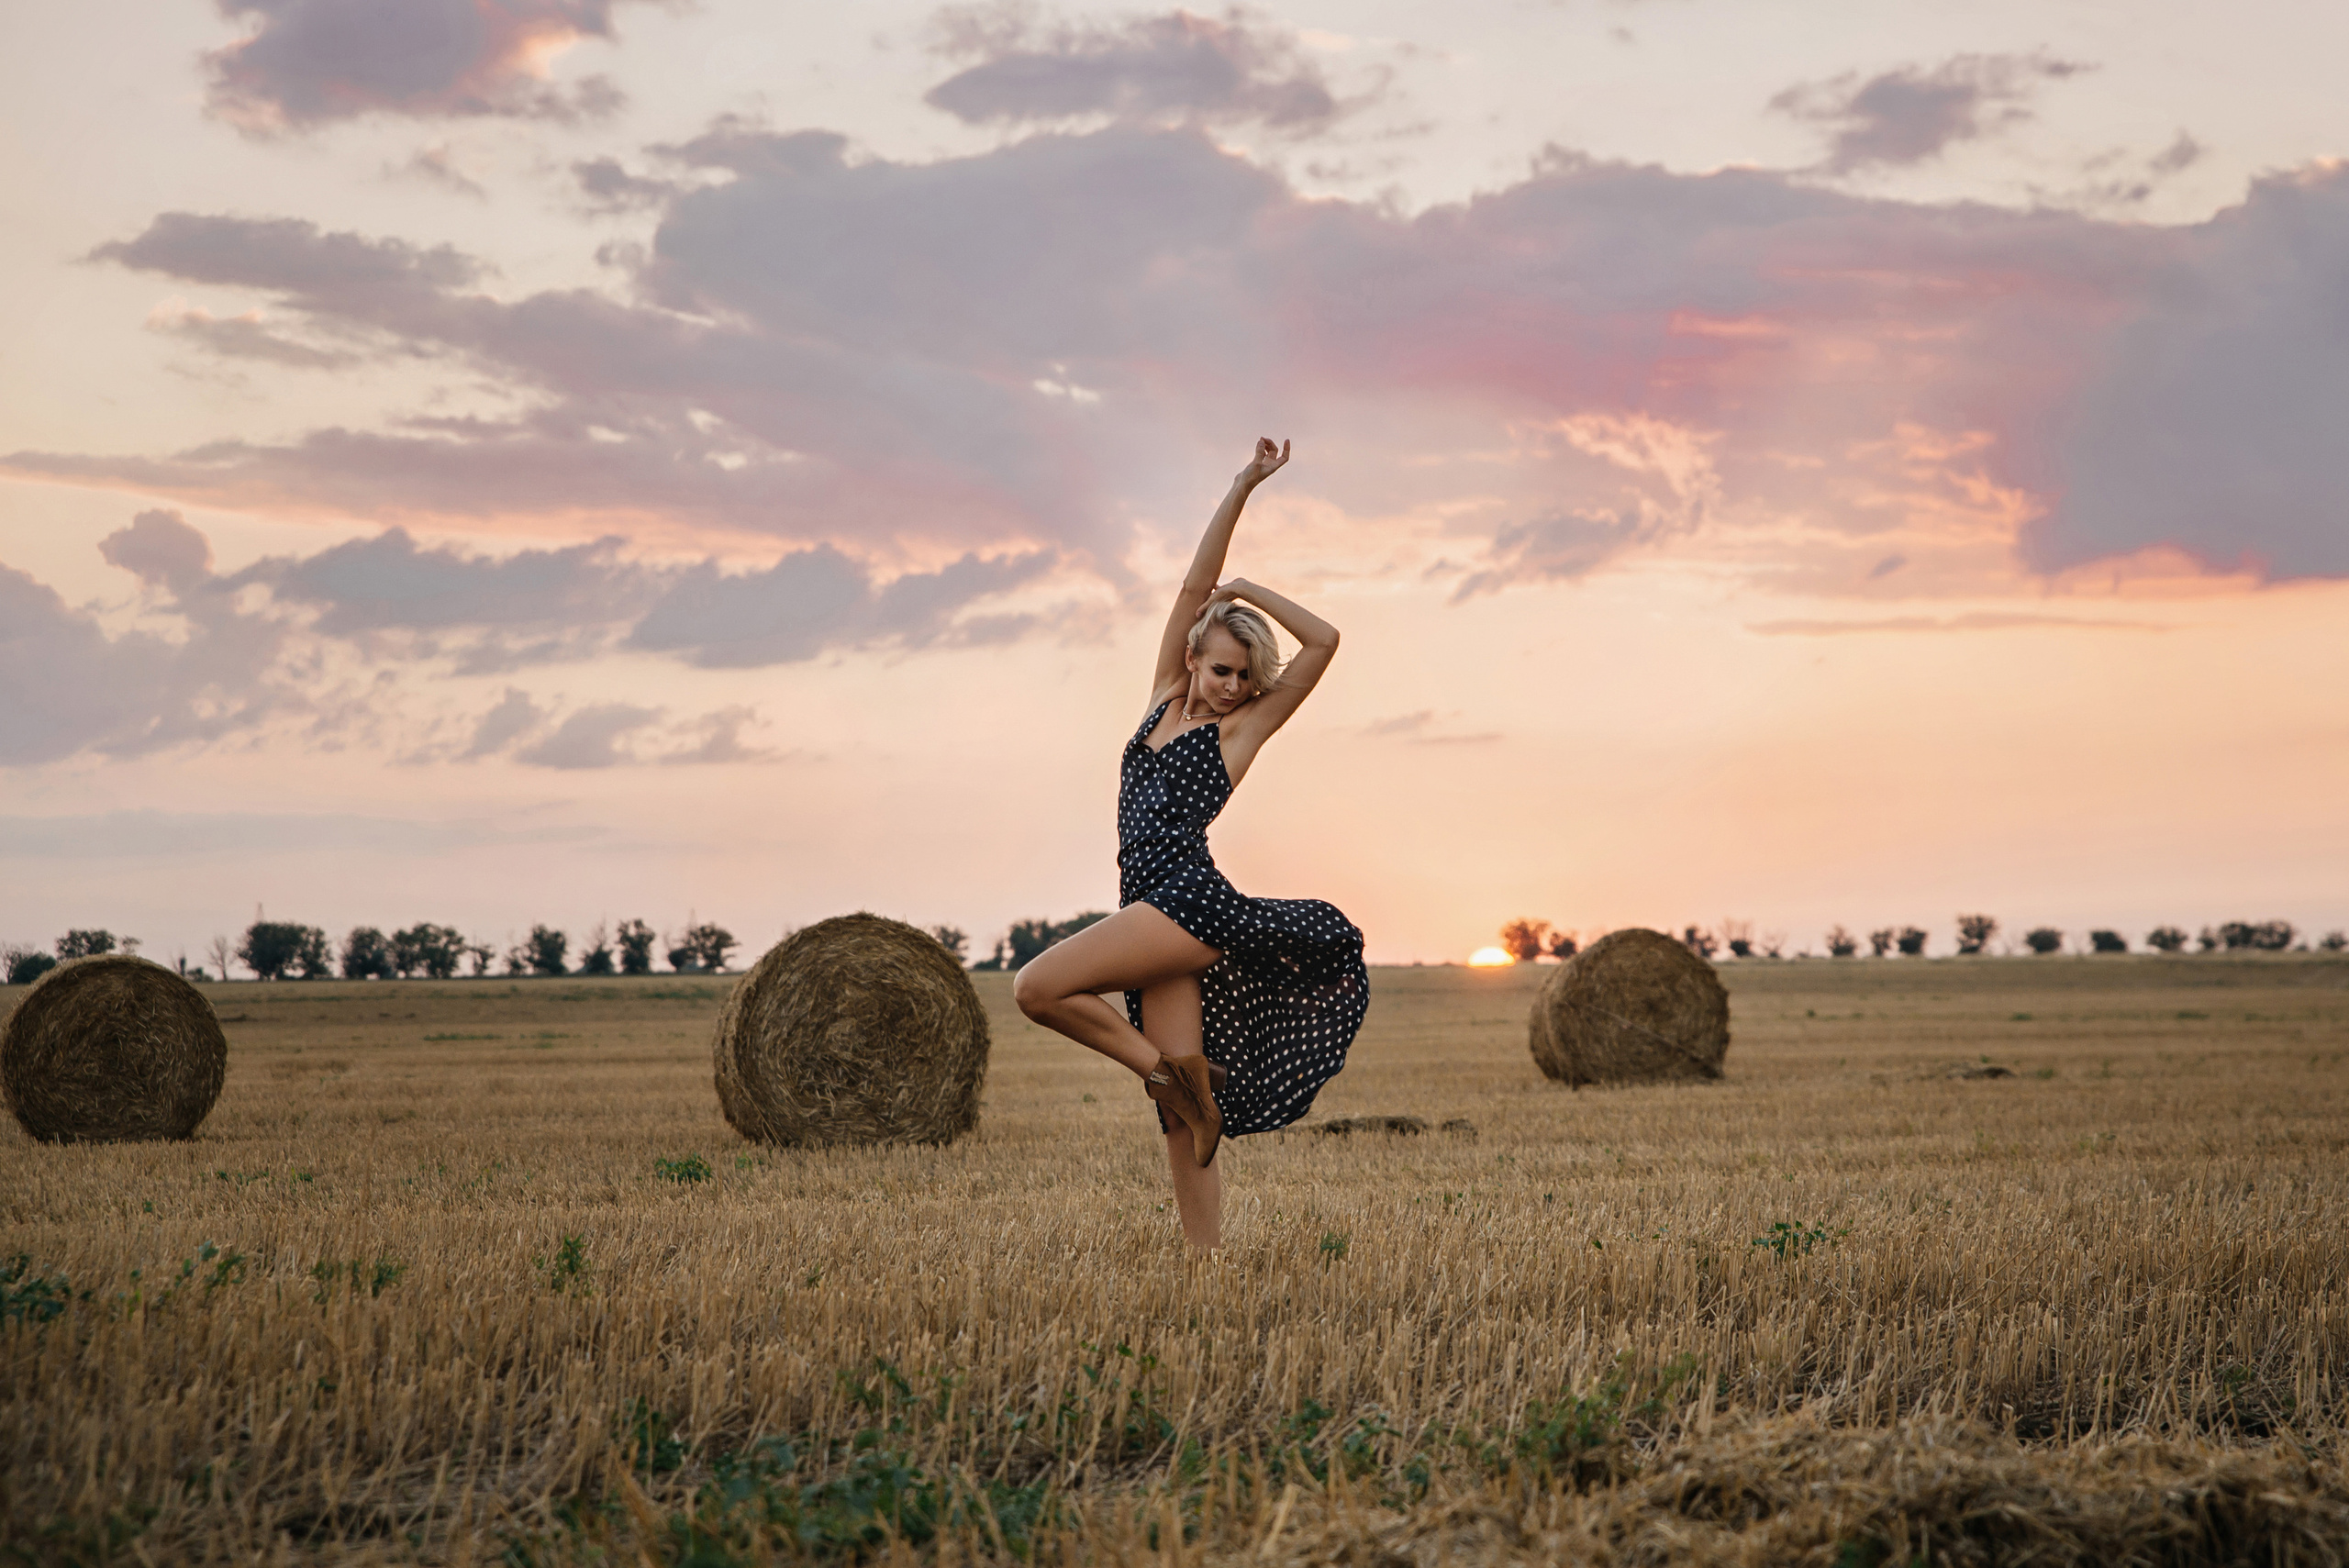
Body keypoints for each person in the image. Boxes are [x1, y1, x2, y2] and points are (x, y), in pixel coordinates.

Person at [1014, 438, 1371, 1251]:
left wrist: (1248, 589)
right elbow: (1190, 588)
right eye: (1221, 670)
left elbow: (1323, 642)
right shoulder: (1159, 699)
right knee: (1183, 1114)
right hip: (1149, 909)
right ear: (1191, 659)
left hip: (1187, 902)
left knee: (1036, 988)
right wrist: (1244, 485)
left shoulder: (1240, 732)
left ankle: (1165, 1077)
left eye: (1244, 676)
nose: (1233, 686)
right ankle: (1205, 1262)